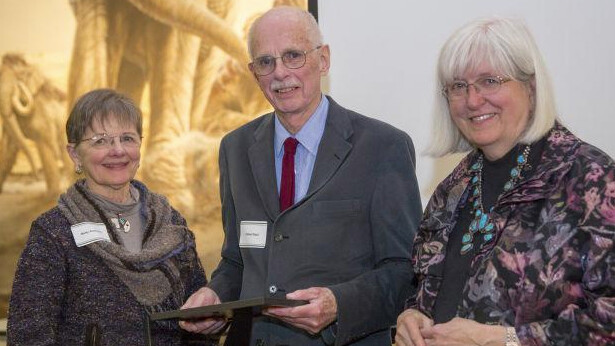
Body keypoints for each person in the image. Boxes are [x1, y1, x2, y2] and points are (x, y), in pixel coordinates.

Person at [180, 6, 422, 345]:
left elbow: (404, 271)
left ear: (323, 60)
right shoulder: (235, 149)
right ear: (254, 73)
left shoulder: (383, 148)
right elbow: (237, 259)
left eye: (293, 56)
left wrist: (339, 304)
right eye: (266, 62)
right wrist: (216, 296)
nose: (280, 73)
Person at [395, 17, 615, 346]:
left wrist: (505, 340)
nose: (472, 100)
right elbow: (424, 289)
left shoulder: (591, 180)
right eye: (458, 86)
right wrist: (410, 316)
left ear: (530, 86)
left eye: (489, 81)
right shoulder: (452, 189)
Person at [7, 89, 213, 345]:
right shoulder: (53, 232)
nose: (117, 151)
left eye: (127, 138)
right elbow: (28, 335)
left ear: (140, 144)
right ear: (74, 154)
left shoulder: (171, 223)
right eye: (100, 141)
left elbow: (200, 323)